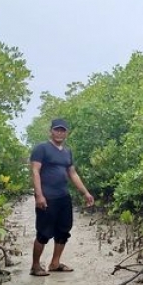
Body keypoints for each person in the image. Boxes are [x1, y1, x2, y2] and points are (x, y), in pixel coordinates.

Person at [29, 118, 94, 276]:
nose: (59, 132)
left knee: (63, 231)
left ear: (67, 133)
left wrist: (85, 192)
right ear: (50, 131)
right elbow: (35, 171)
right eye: (57, 130)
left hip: (64, 197)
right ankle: (35, 266)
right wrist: (39, 195)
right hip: (47, 197)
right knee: (44, 233)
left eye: (62, 130)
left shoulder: (67, 152)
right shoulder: (41, 148)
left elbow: (72, 173)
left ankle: (55, 263)